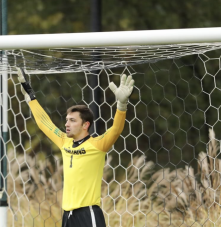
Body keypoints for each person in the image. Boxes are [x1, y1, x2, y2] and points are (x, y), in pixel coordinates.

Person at [16, 68, 134, 227]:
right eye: (66, 120)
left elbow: (116, 129)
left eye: (72, 120)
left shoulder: (97, 145)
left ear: (86, 125)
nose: (66, 124)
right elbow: (44, 123)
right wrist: (31, 97)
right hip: (67, 215)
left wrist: (121, 105)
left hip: (88, 214)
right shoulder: (64, 141)